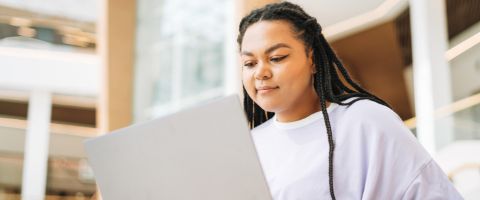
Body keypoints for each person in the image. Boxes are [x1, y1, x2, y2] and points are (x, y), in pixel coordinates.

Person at [238, 2, 463, 200]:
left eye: (276, 58)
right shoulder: (250, 145)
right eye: (249, 63)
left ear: (313, 60)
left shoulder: (366, 121)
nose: (261, 73)